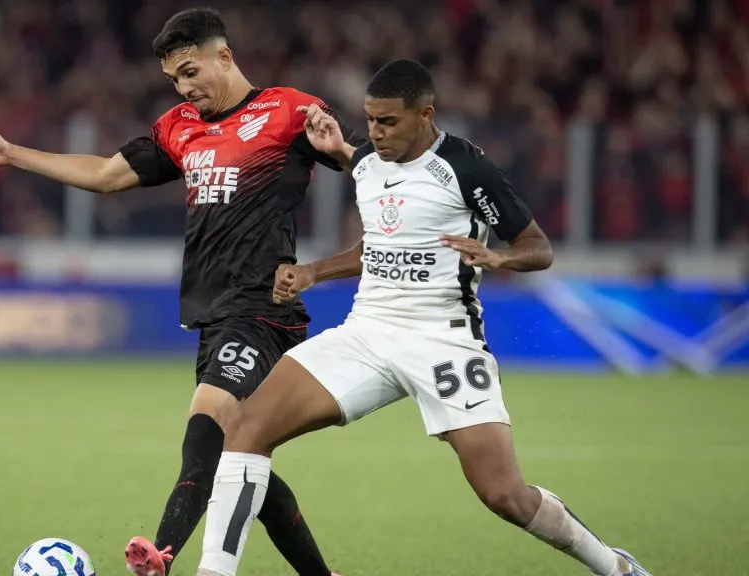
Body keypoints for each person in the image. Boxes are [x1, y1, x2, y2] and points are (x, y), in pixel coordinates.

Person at [191, 59, 653, 576]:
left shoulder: (465, 167)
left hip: (444, 342)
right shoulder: (367, 165)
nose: (375, 133)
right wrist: (313, 272)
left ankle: (615, 566)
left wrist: (498, 257)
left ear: (425, 115)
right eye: (370, 121)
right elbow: (377, 245)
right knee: (247, 426)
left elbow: (537, 246)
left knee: (504, 494)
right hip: (367, 332)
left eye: (388, 122)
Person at [0, 7, 357, 576]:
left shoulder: (287, 110)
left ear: (224, 56)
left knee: (206, 424)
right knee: (237, 455)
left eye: (191, 72)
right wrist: (12, 153)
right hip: (213, 316)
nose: (184, 88)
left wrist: (342, 160)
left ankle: (160, 556)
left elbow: (371, 169)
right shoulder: (179, 127)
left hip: (264, 309)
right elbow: (105, 175)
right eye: (174, 79)